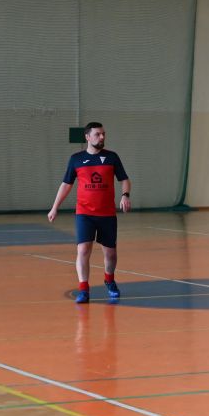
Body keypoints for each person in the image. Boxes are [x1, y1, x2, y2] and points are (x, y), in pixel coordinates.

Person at [47, 122, 131, 304]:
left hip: (107, 214)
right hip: (84, 213)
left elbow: (124, 179)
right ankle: (84, 289)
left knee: (110, 254)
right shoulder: (76, 159)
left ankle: (109, 280)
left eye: (103, 134)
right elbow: (66, 185)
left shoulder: (112, 157)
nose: (102, 137)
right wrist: (55, 207)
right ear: (87, 137)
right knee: (83, 250)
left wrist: (125, 195)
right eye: (98, 134)